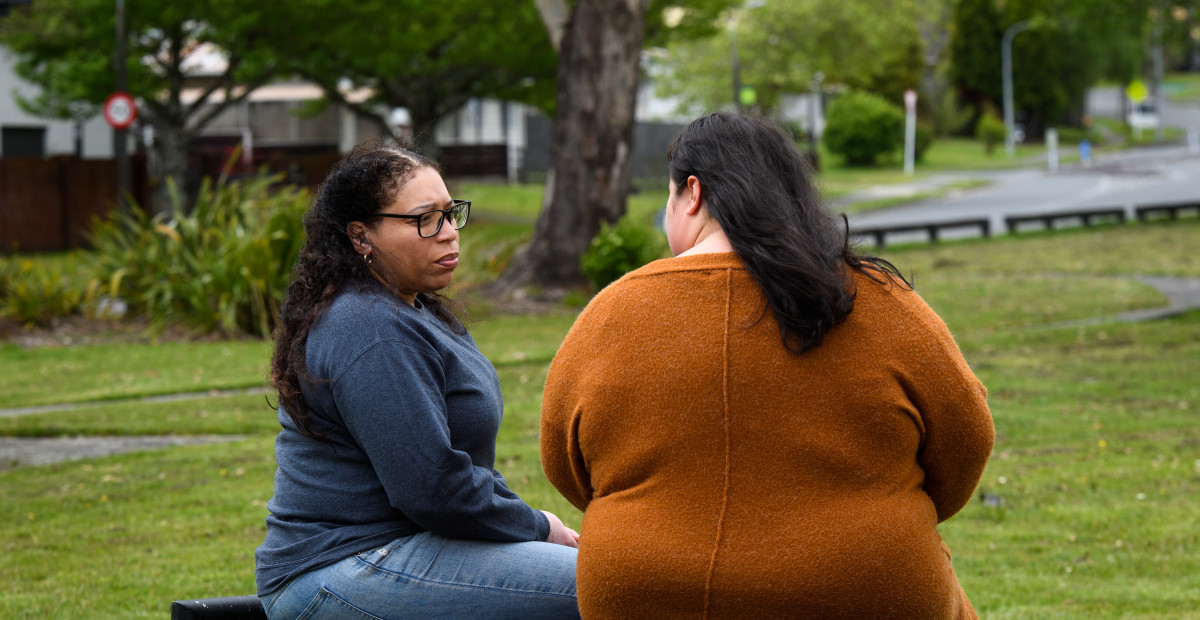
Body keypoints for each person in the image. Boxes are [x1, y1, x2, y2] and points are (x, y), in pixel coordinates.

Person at [540, 113, 994, 619]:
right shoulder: (880, 300)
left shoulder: (611, 312)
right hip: (865, 589)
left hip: (645, 592)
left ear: (692, 193)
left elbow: (565, 464)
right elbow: (965, 439)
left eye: (666, 200)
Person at [256, 145, 580, 620]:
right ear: (361, 236)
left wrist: (528, 523)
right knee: (607, 588)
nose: (449, 234)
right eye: (425, 219)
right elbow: (432, 488)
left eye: (451, 214)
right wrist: (536, 527)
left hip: (406, 548)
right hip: (337, 567)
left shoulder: (416, 310)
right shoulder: (367, 326)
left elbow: (461, 468)